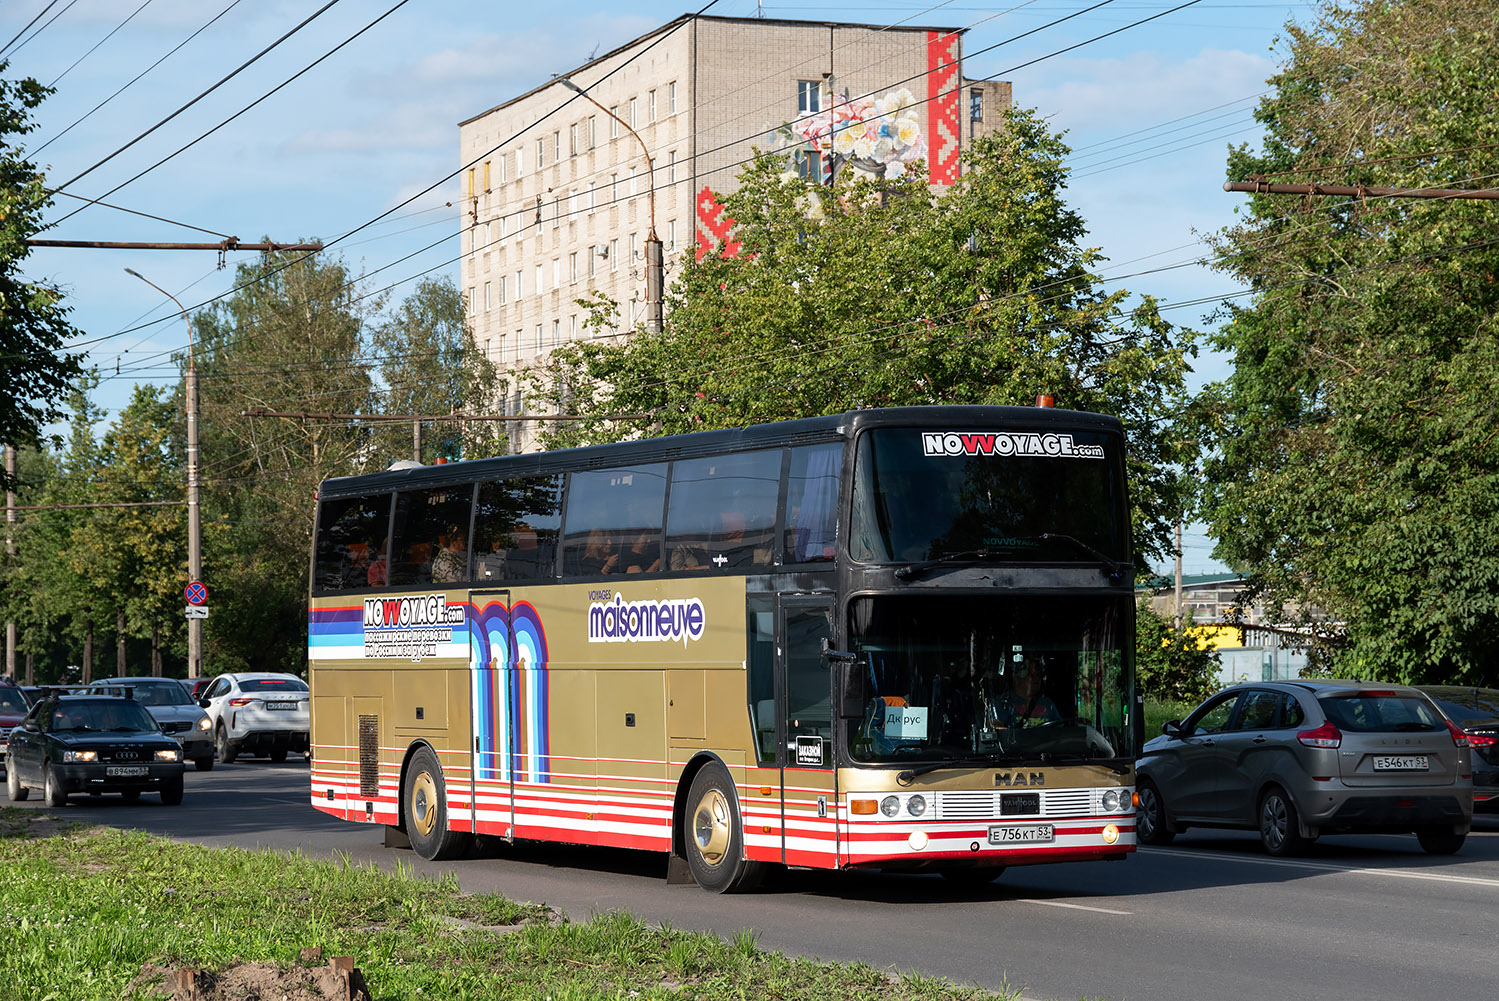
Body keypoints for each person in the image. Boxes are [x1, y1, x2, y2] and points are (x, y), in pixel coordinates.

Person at [991, 656, 1060, 728]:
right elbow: (994, 727)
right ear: (1018, 678)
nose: (1036, 679)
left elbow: (1059, 729)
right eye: (1031, 675)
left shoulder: (1048, 704)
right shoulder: (1004, 702)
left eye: (1038, 675)